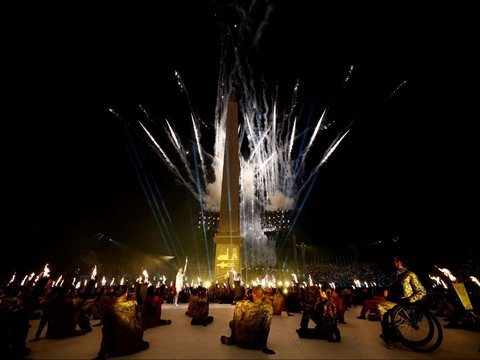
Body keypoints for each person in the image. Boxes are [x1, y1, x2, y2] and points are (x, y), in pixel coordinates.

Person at [377, 255, 427, 344]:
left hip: (405, 302)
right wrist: (387, 290)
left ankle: (389, 333)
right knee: (381, 307)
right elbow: (391, 286)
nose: (394, 263)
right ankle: (390, 332)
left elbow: (421, 291)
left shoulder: (410, 274)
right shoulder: (394, 274)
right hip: (395, 301)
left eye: (395, 261)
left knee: (382, 307)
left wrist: (410, 300)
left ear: (399, 262)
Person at [93, 285, 149, 360]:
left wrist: (102, 351)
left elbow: (106, 331)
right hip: (135, 343)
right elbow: (139, 322)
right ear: (126, 293)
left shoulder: (110, 305)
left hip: (119, 347)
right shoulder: (133, 303)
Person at [220, 286, 275, 354]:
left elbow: (237, 320)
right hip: (257, 344)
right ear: (262, 295)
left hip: (240, 341)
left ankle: (232, 338)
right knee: (231, 323)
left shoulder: (242, 305)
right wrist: (264, 347)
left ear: (254, 294)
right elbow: (266, 328)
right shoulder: (268, 308)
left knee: (232, 322)